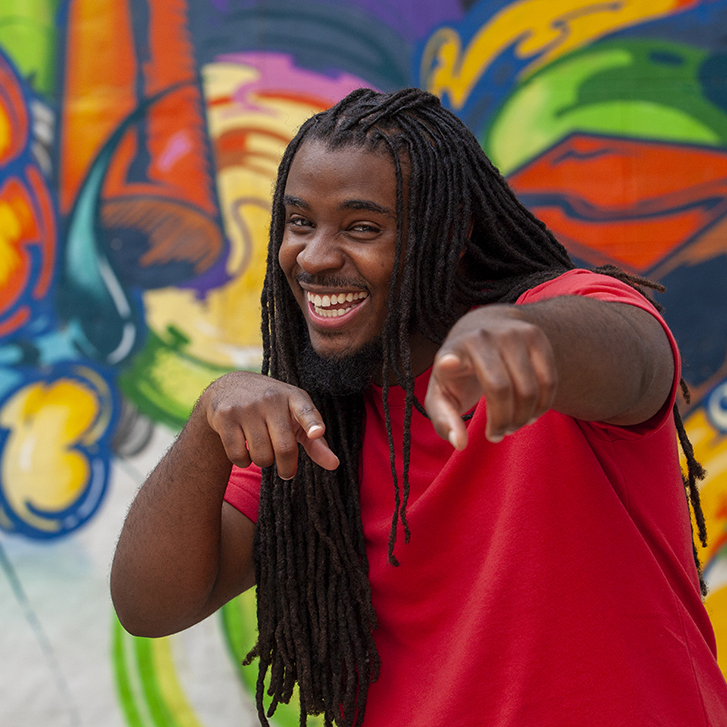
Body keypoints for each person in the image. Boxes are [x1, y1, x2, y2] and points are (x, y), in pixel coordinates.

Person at [111, 88, 727, 727]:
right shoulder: (316, 417)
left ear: (448, 236)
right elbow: (150, 606)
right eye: (300, 223)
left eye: (361, 228)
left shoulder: (555, 330)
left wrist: (530, 340)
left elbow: (641, 361)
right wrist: (209, 420)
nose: (315, 257)